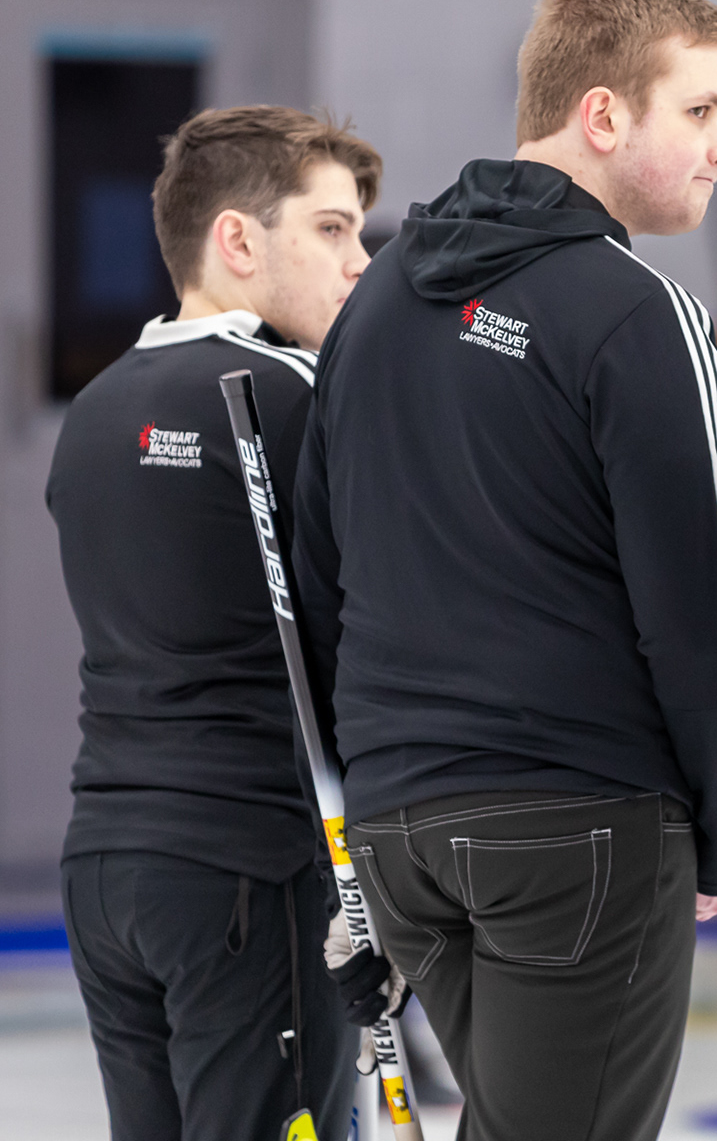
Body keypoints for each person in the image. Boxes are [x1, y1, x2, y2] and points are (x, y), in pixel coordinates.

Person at [291, 0, 717, 1140]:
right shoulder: (639, 313)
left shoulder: (373, 303)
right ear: (603, 115)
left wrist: (374, 786)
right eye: (700, 111)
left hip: (404, 829)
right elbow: (692, 612)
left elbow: (320, 574)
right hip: (578, 827)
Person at [45, 105, 381, 1141]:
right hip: (251, 872)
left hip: (107, 866)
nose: (360, 262)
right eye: (331, 229)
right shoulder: (300, 395)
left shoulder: (95, 412)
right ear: (237, 239)